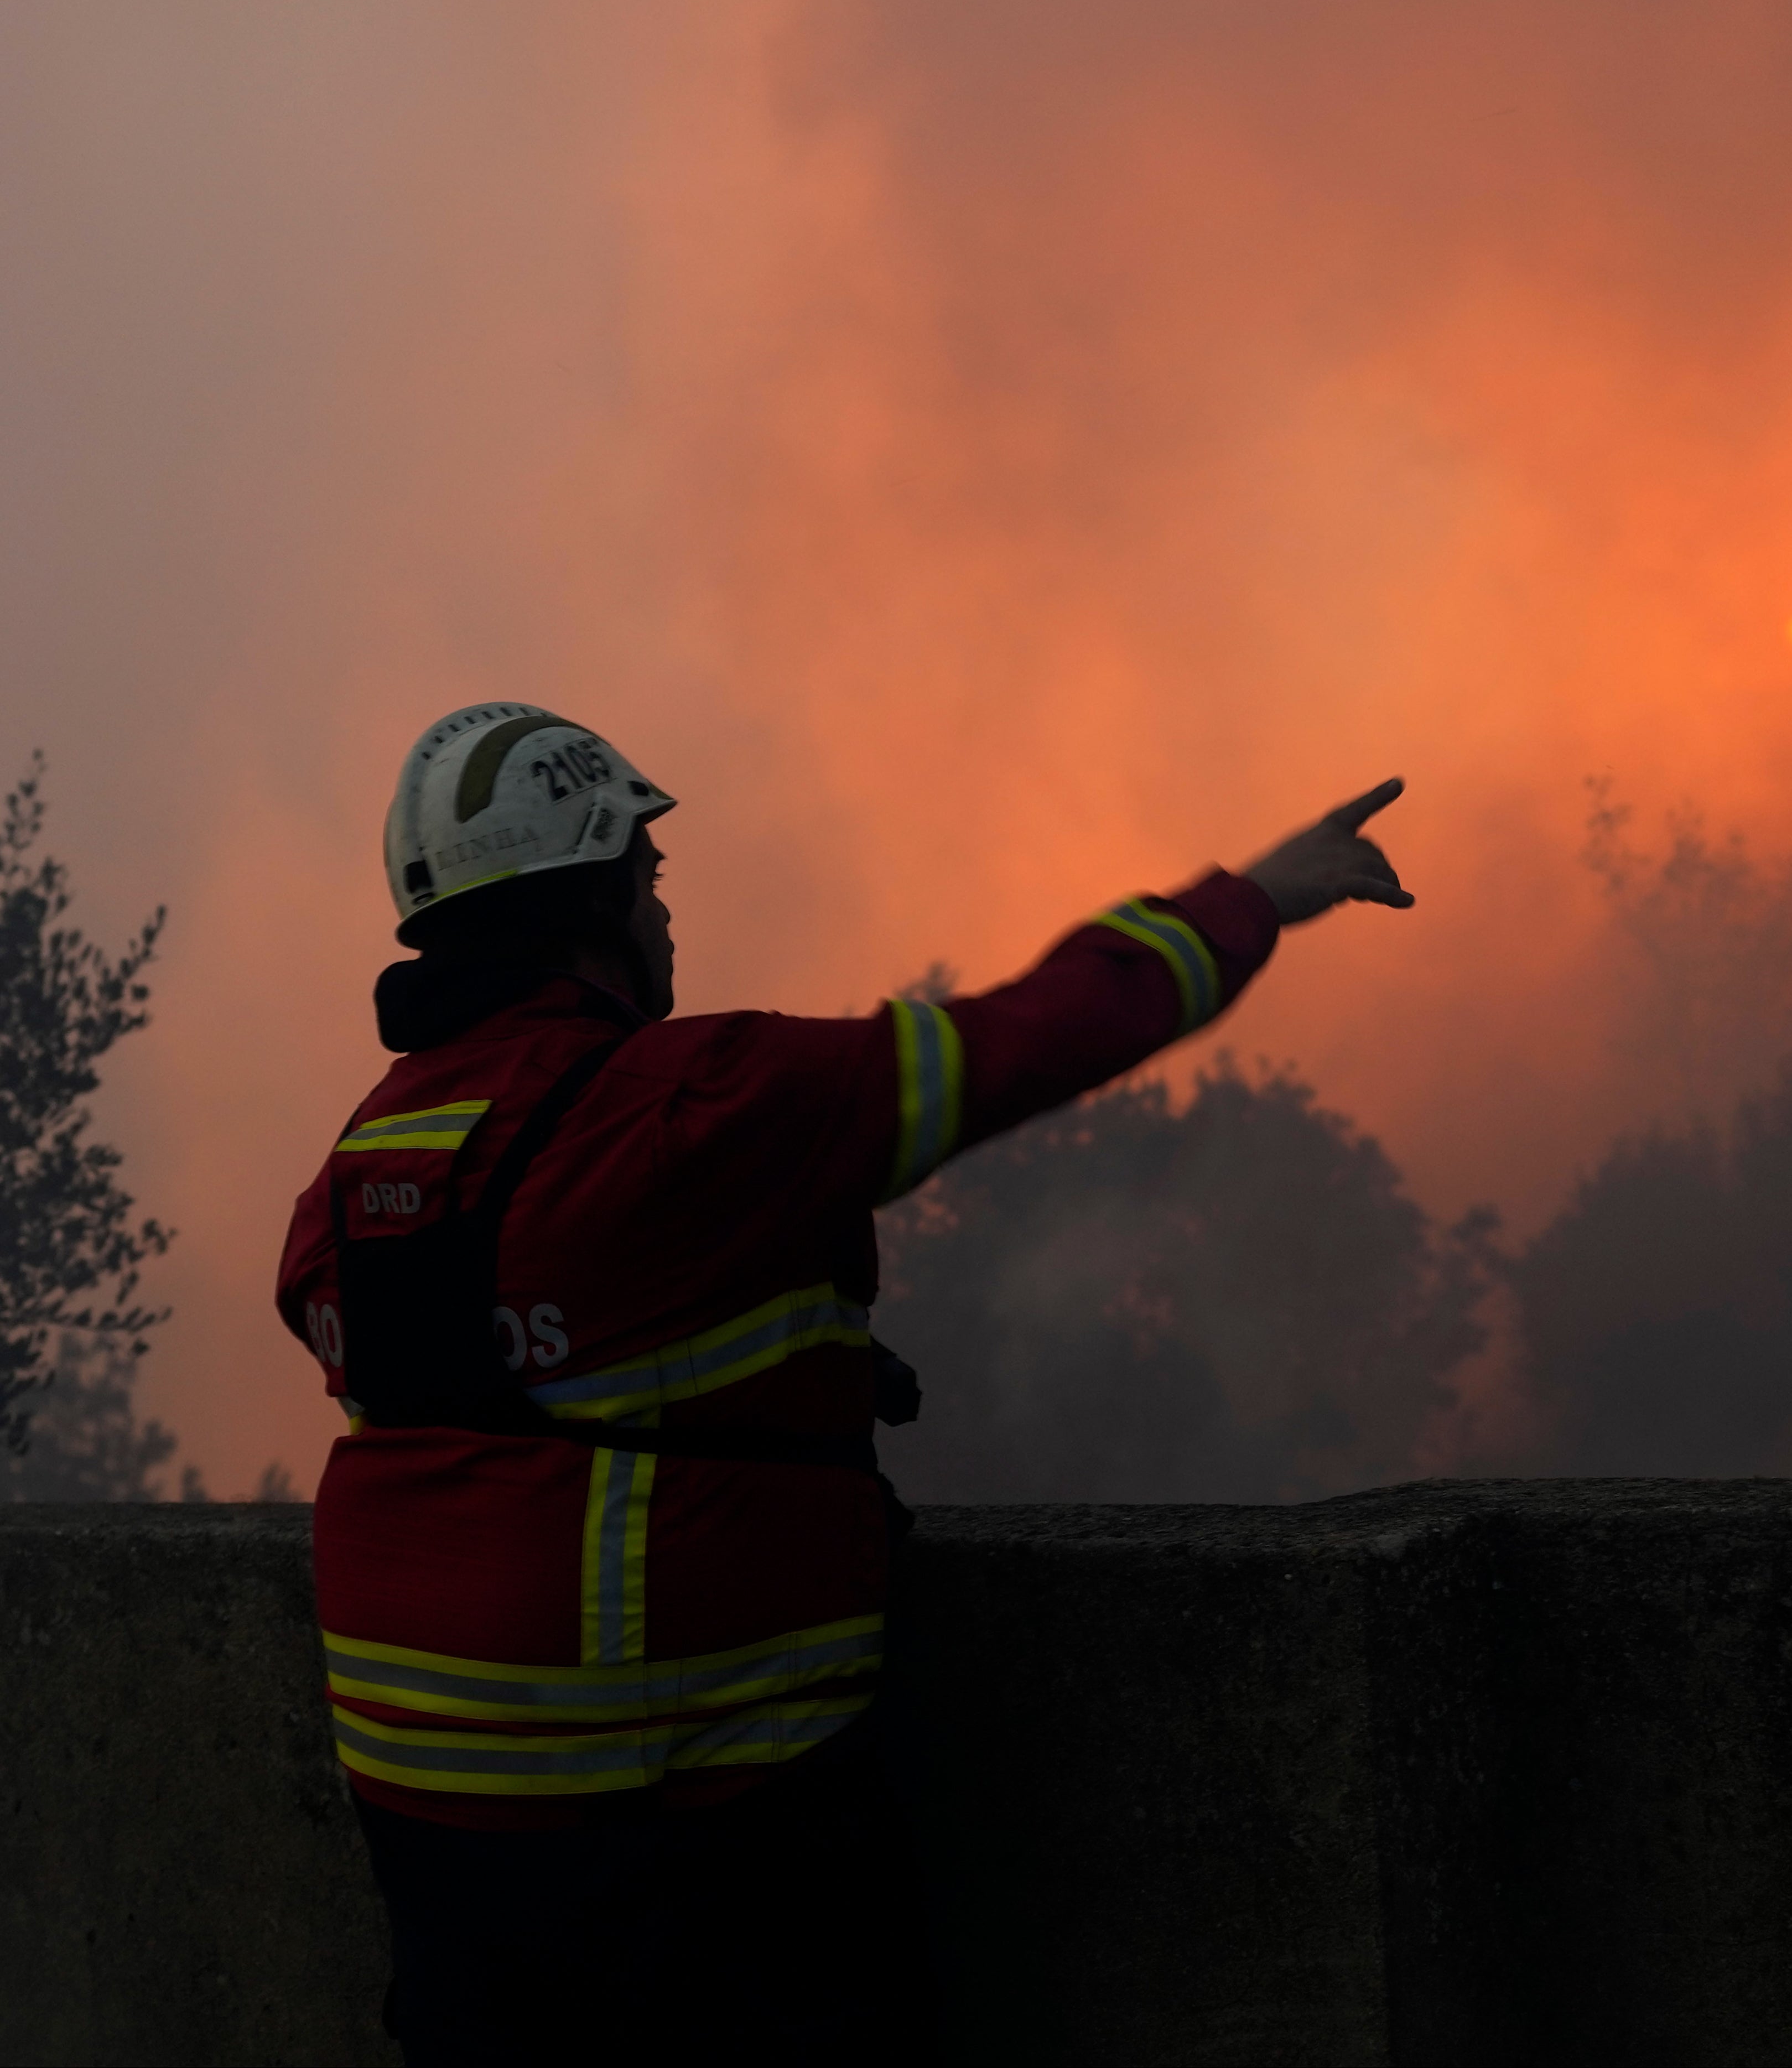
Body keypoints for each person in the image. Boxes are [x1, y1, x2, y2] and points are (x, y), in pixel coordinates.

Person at [274, 702, 1411, 2066]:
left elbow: (521, 1366)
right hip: (697, 1850)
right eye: (649, 878)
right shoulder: (702, 1102)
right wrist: (1258, 897)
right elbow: (1029, 1036)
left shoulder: (365, 1158)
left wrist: (789, 1365)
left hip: (444, 1867)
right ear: (594, 903)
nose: (665, 918)